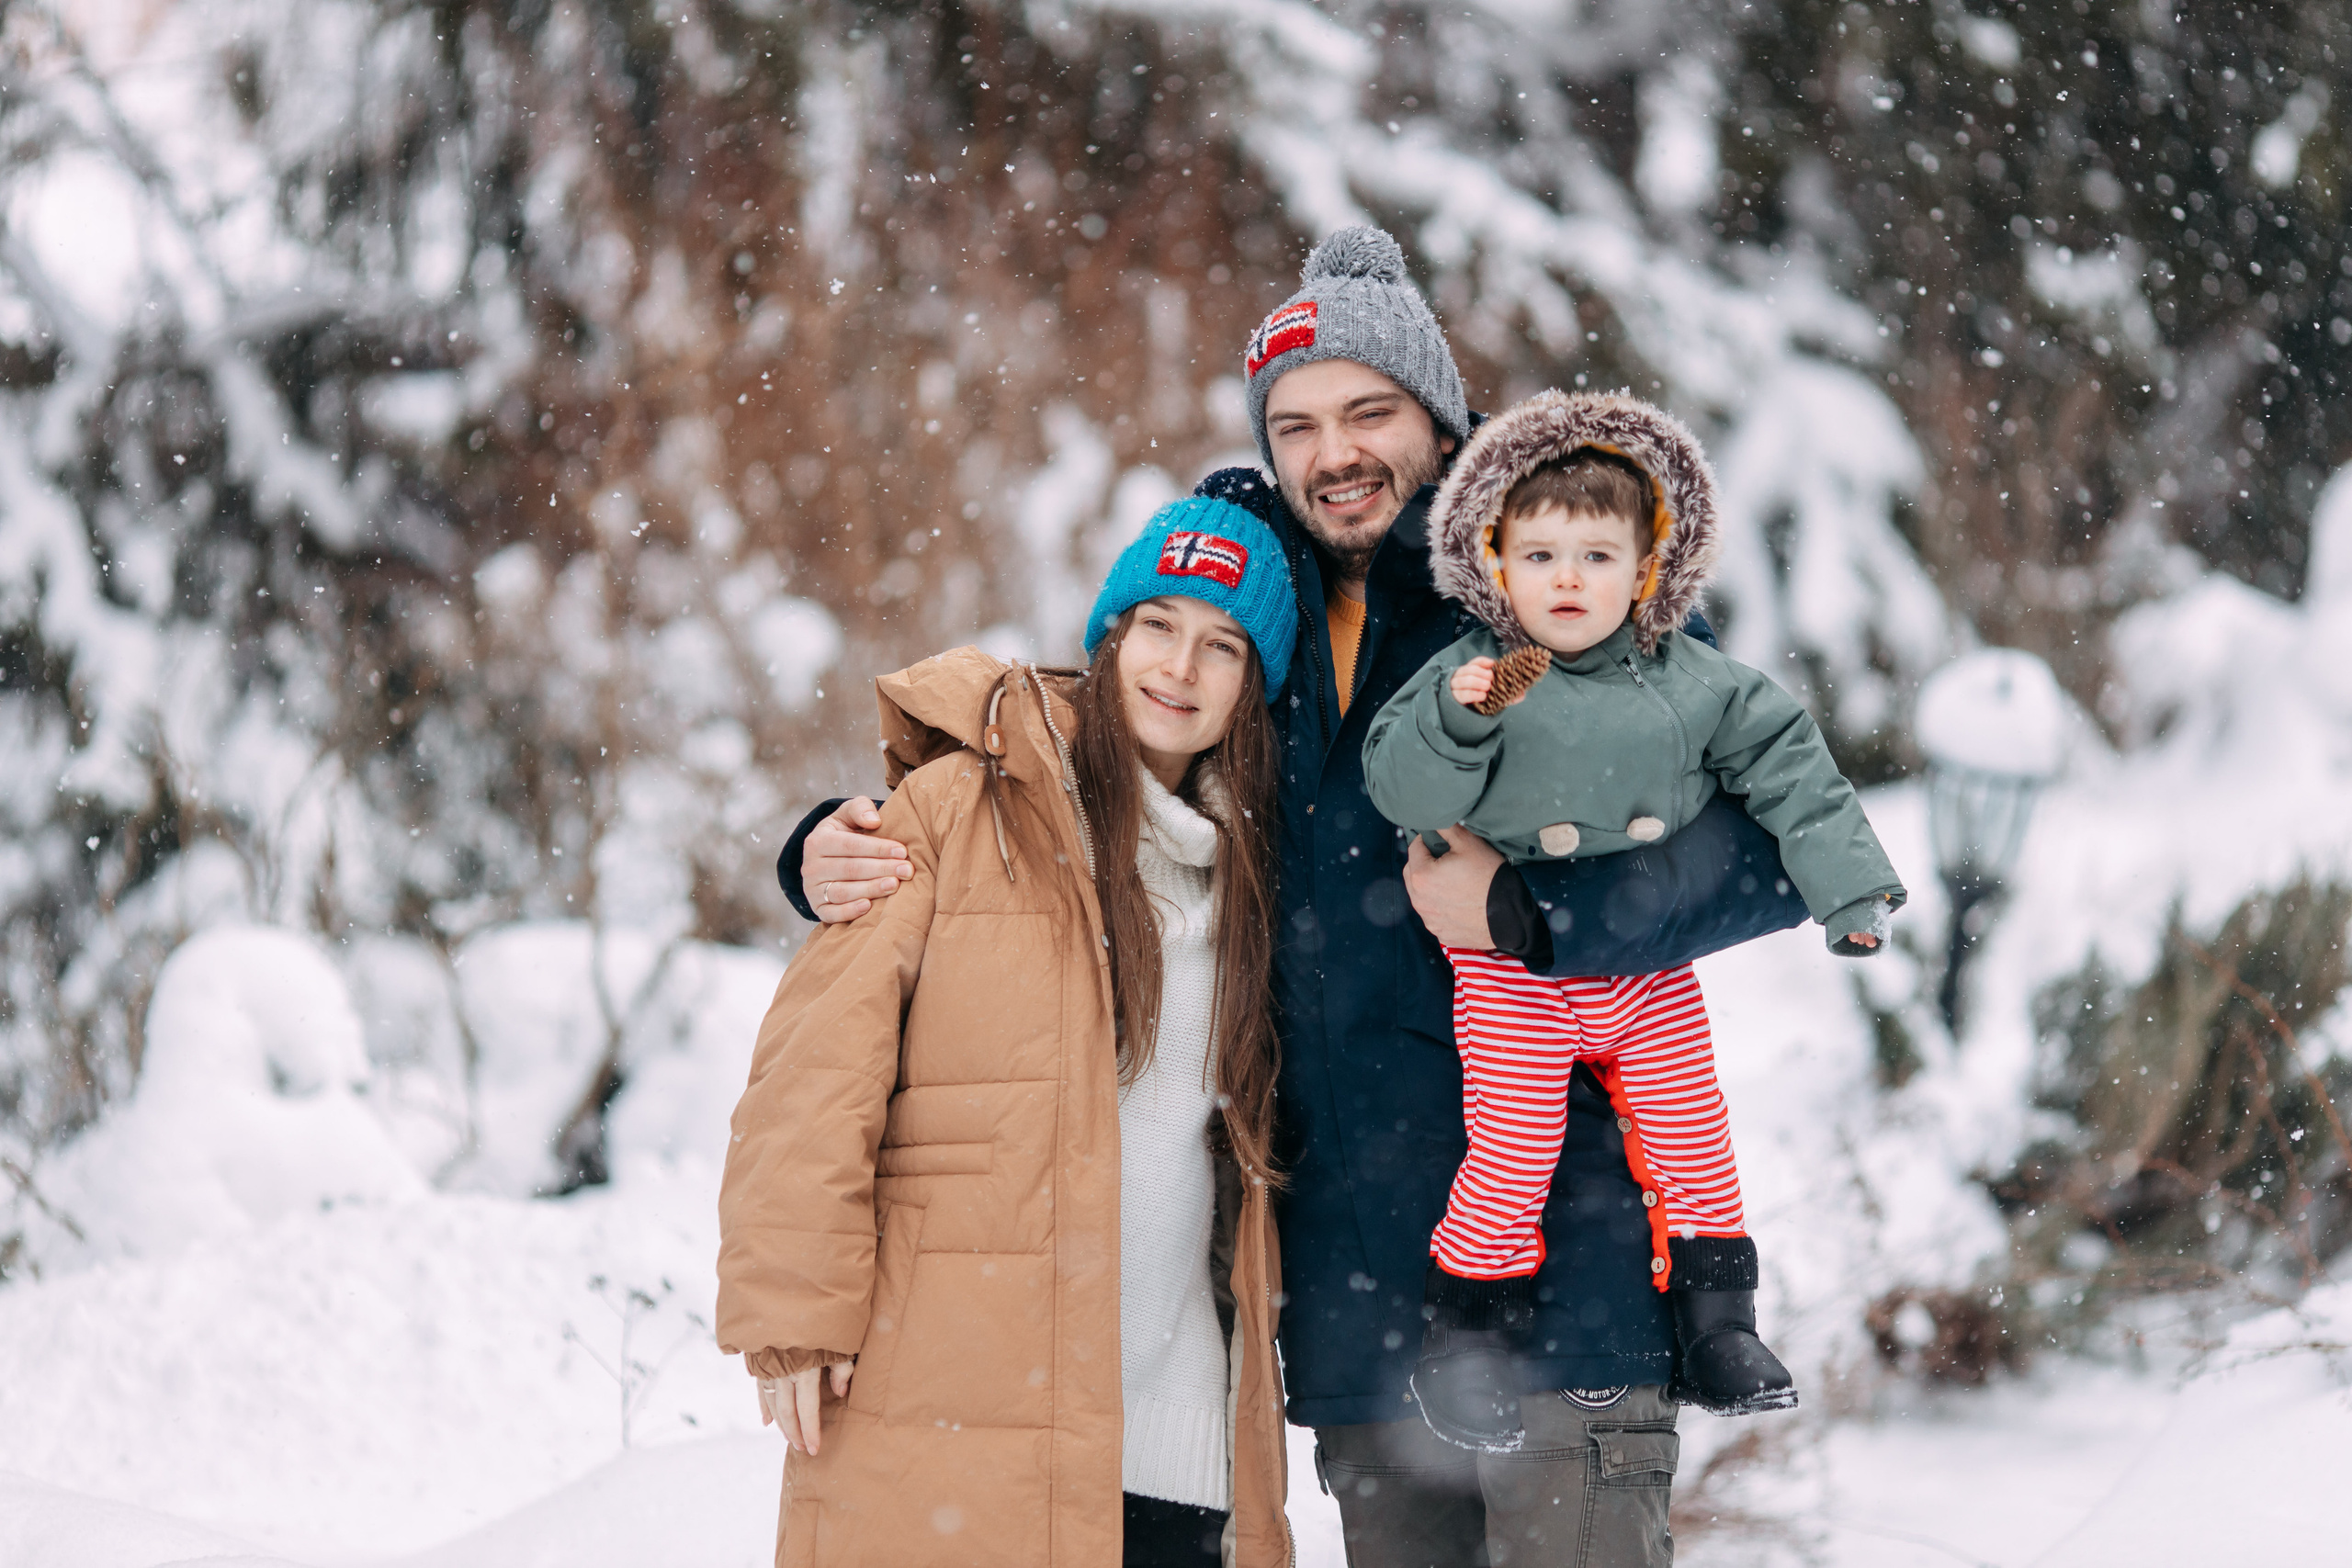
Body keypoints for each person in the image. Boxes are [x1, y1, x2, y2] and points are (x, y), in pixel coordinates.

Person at [783, 227, 1813, 1567]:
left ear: (1440, 416)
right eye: (1298, 422)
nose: (1337, 451)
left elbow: (1777, 843)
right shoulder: (1250, 616)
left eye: (1370, 411)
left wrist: (1535, 914)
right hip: (1359, 1305)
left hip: (1569, 1281)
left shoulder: (1555, 578)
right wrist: (827, 840)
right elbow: (1073, 750)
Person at [716, 496, 1301, 1566]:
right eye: (1158, 626)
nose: (1180, 667)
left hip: (1177, 1444)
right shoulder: (955, 811)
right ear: (1110, 638)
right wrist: (790, 1318)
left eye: (1222, 646)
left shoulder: (1264, 878)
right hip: (958, 1408)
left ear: (1252, 691)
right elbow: (814, 1071)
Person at [1361, 390, 1907, 1451]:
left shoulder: (1695, 679)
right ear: (1495, 565)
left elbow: (1794, 770)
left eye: (1598, 557)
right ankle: (1467, 1344)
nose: (1568, 580)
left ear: (1648, 571)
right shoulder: (1476, 673)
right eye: (1543, 555)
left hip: (1646, 969)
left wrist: (1851, 890)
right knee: (1512, 1154)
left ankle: (1719, 1328)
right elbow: (1406, 791)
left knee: (1693, 1138)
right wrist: (1455, 718)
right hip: (1512, 977)